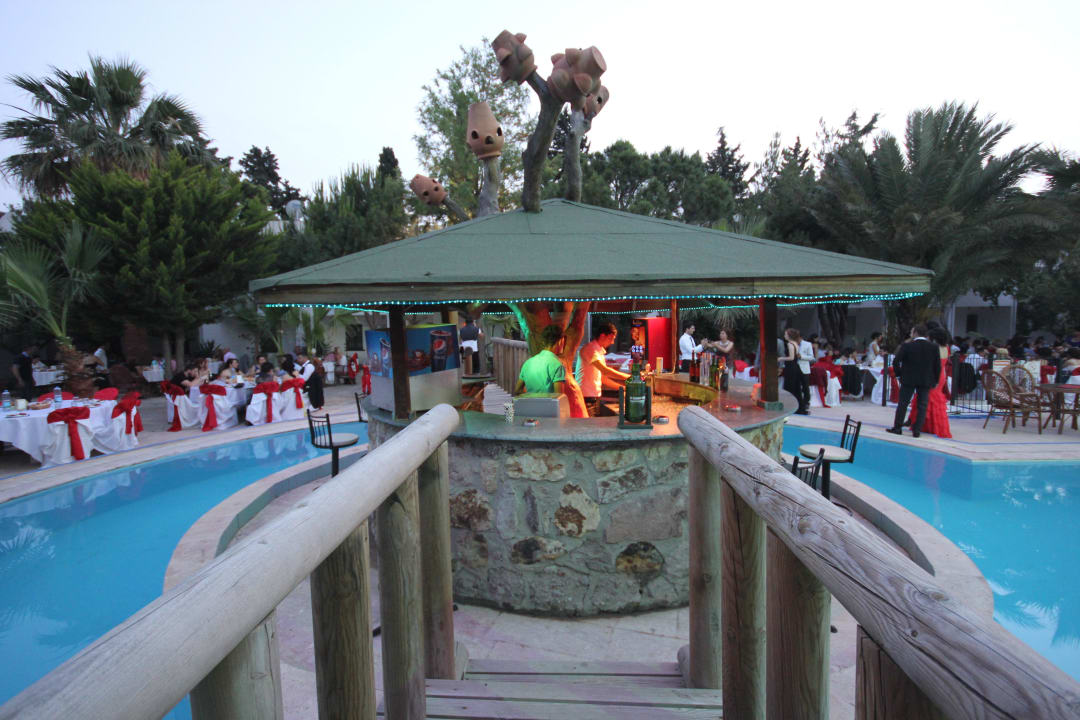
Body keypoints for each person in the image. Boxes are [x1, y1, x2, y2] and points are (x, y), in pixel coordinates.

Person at [887, 325, 941, 438]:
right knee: (922, 405)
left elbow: (896, 361)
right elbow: (937, 365)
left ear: (915, 333)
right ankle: (917, 430)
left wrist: (899, 374)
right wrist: (936, 379)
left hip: (908, 378)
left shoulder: (907, 346)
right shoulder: (933, 347)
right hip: (925, 379)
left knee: (903, 403)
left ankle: (898, 427)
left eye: (912, 332)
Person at [901, 327, 952, 438]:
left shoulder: (935, 348)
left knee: (926, 399)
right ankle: (922, 423)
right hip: (941, 375)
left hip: (933, 375)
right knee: (931, 399)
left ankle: (922, 423)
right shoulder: (946, 348)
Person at [578, 322, 630, 416]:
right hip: (586, 397)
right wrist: (630, 377)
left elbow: (602, 378)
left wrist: (623, 388)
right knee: (589, 424)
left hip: (594, 397)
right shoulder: (590, 349)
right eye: (611, 338)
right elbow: (605, 371)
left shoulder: (599, 351)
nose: (612, 342)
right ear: (602, 336)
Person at [515, 325, 567, 395]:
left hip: (530, 402)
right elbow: (559, 397)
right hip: (548, 402)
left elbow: (517, 390)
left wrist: (531, 397)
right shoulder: (557, 365)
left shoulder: (528, 363)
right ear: (560, 341)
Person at [780, 329, 809, 414]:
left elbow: (791, 357)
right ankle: (797, 407)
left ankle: (789, 407)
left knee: (790, 387)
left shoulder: (790, 344)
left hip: (791, 368)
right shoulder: (795, 343)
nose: (784, 336)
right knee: (796, 388)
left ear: (789, 335)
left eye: (786, 334)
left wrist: (781, 358)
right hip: (795, 367)